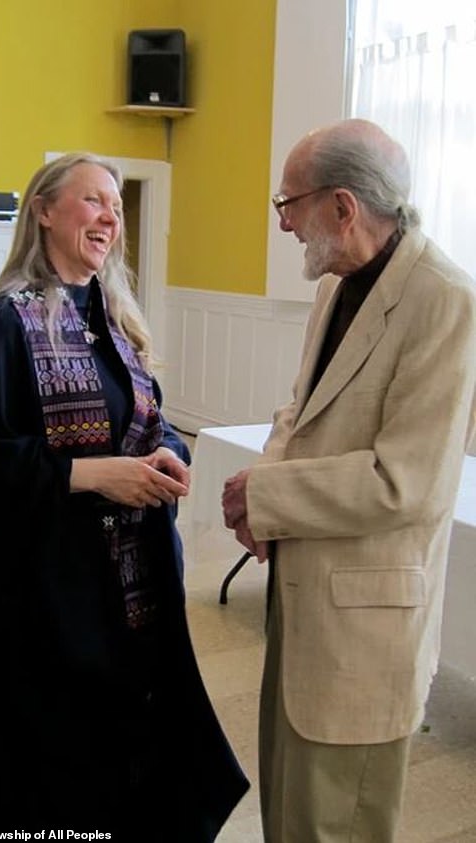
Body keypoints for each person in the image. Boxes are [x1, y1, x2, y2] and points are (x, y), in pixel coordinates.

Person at [0, 152, 249, 837]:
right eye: (93, 200)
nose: (110, 217)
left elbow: (148, 419)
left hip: (129, 593)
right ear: (44, 210)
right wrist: (91, 474)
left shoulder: (117, 321)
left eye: (117, 207)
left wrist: (167, 457)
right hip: (44, 603)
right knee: (53, 774)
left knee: (132, 758)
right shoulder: (8, 324)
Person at [222, 119, 476, 842]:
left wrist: (263, 496)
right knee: (294, 816)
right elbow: (300, 411)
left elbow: (409, 482)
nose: (282, 223)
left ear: (342, 207)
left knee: (340, 823)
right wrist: (261, 496)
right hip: (306, 604)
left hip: (366, 628)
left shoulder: (446, 300)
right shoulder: (339, 288)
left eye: (288, 203)